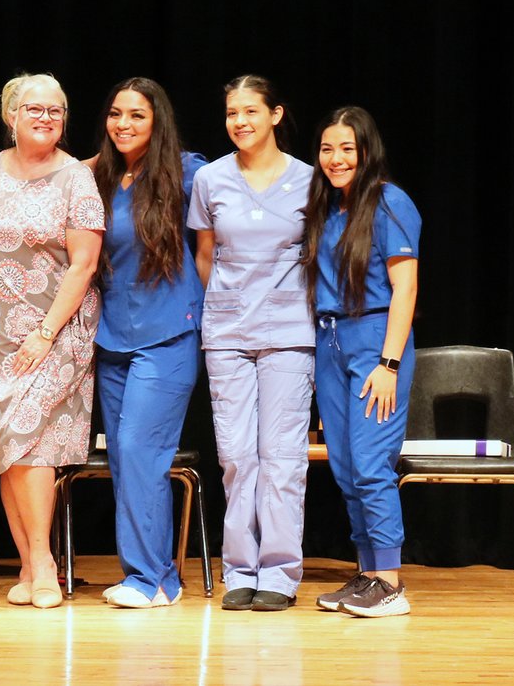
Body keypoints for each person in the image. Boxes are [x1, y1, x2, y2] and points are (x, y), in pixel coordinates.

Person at [0, 73, 104, 609]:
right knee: (5, 449)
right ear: (11, 115)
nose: (46, 117)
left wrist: (45, 334)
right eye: (34, 109)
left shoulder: (76, 178)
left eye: (55, 110)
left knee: (32, 442)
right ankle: (27, 565)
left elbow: (85, 263)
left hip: (56, 329)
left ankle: (44, 564)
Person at [187, 74, 314, 611]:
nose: (240, 122)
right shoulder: (211, 180)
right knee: (237, 457)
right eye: (231, 113)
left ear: (276, 115)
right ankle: (239, 567)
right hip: (228, 332)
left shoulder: (309, 181)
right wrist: (223, 308)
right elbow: (205, 256)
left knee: (281, 457)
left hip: (288, 334)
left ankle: (280, 573)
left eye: (250, 112)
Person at [88, 78, 206, 608]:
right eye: (116, 114)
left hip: (167, 335)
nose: (124, 125)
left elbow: (212, 250)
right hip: (112, 338)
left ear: (157, 121)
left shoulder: (188, 172)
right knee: (124, 460)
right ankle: (151, 574)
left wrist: (201, 311)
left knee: (141, 450)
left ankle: (152, 579)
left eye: (137, 115)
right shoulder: (101, 176)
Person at [303, 106, 420, 618]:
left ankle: (391, 584)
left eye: (347, 148)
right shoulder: (326, 208)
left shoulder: (390, 203)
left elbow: (405, 287)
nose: (336, 158)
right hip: (329, 342)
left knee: (372, 465)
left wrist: (389, 364)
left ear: (367, 151)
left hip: (374, 340)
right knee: (348, 470)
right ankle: (369, 573)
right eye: (327, 148)